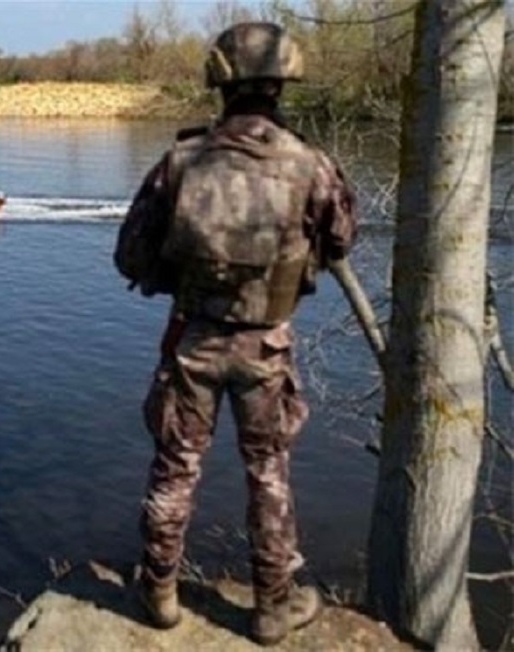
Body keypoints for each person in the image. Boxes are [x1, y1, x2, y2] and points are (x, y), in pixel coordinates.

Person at [122, 22, 358, 646]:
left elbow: (130, 257)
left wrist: (177, 269)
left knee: (175, 467)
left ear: (219, 82)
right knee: (269, 473)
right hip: (266, 347)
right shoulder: (310, 164)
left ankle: (161, 591)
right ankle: (272, 609)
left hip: (194, 341)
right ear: (282, 83)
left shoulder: (180, 162)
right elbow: (340, 240)